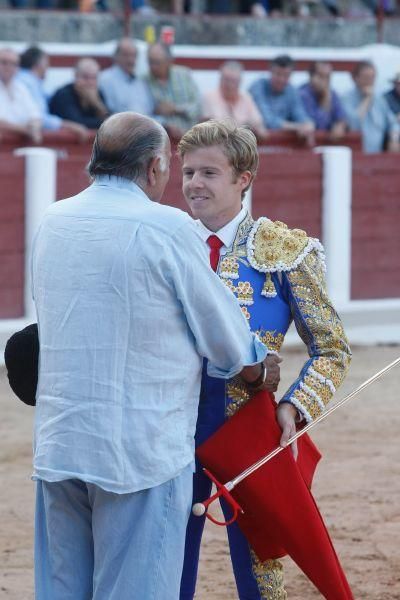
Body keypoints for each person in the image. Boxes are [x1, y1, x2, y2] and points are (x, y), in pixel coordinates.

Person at [31, 112, 273, 600]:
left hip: (60, 445)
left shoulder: (52, 220)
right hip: (139, 451)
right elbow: (224, 338)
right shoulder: (168, 227)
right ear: (157, 166)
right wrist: (254, 366)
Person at [177, 119, 352, 599]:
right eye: (188, 172)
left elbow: (332, 348)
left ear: (243, 178)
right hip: (167, 432)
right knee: (164, 569)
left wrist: (294, 407)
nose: (194, 184)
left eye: (209, 173)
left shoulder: (285, 251)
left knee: (262, 576)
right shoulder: (167, 243)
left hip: (250, 432)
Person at [18, 46, 89, 141]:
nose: (48, 67)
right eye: (47, 63)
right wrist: (68, 125)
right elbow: (38, 116)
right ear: (39, 64)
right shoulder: (28, 83)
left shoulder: (29, 82)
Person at [249, 54, 315, 145]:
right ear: (270, 72)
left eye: (286, 75)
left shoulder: (291, 91)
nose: (281, 79)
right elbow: (268, 121)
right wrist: (297, 127)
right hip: (258, 146)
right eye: (278, 74)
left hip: (283, 147)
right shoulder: (258, 87)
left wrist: (308, 125)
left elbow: (300, 114)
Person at [342, 61, 400, 153]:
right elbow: (353, 125)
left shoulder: (379, 99)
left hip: (376, 155)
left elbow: (393, 122)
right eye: (366, 77)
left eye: (372, 78)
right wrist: (367, 99)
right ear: (355, 78)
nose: (369, 82)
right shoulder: (346, 99)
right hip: (354, 155)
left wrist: (394, 138)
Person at [202, 61, 268, 140]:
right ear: (220, 79)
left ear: (239, 82)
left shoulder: (246, 98)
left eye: (232, 81)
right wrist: (245, 126)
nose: (228, 85)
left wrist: (256, 128)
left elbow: (261, 129)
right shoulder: (209, 97)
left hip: (243, 148)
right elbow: (206, 129)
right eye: (226, 79)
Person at [147, 42, 201, 139]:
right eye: (150, 62)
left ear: (169, 61)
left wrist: (175, 109)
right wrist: (165, 125)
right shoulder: (144, 80)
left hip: (191, 136)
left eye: (157, 62)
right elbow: (143, 114)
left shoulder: (184, 75)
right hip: (161, 138)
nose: (153, 66)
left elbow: (198, 107)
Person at [98, 38, 155, 115]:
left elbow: (149, 110)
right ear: (115, 57)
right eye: (126, 55)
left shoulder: (141, 80)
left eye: (134, 55)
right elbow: (108, 112)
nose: (130, 60)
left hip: (146, 123)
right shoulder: (105, 79)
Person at [49, 57, 109, 129]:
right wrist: (105, 121)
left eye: (94, 78)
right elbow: (77, 122)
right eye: (85, 77)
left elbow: (112, 121)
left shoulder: (98, 93)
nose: (90, 82)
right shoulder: (63, 95)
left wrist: (97, 104)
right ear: (75, 75)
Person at [0, 47, 42, 143]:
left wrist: (34, 127)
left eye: (14, 64)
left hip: (19, 146)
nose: (9, 67)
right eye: (4, 62)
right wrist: (25, 130)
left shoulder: (21, 88)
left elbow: (36, 116)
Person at [299, 61, 347, 140]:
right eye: (321, 76)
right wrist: (326, 99)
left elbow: (341, 116)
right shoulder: (303, 94)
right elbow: (320, 126)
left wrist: (340, 125)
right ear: (311, 76)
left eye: (328, 77)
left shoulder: (332, 93)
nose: (325, 81)